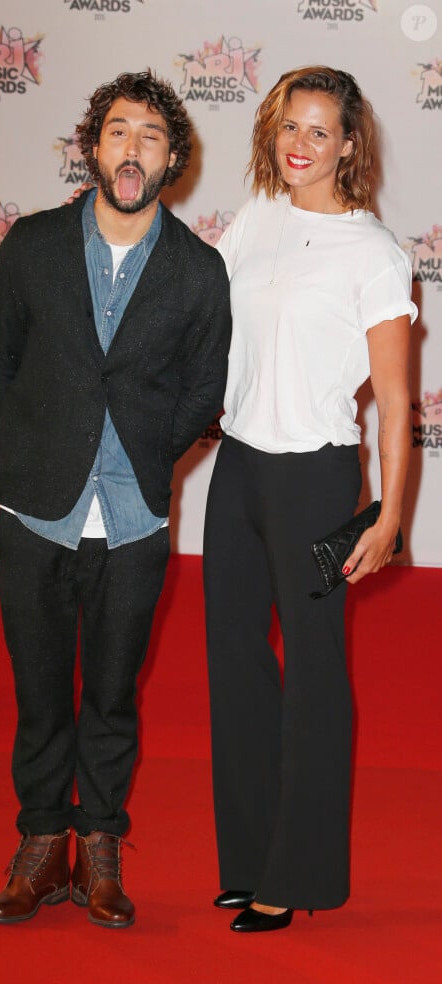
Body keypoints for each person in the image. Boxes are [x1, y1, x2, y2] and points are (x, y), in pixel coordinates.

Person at [0, 69, 231, 929]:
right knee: (41, 690)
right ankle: (44, 849)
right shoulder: (33, 243)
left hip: (135, 519)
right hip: (36, 509)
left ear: (173, 160)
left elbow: (204, 392)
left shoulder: (200, 271)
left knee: (113, 697)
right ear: (94, 144)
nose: (133, 149)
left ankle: (102, 852)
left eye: (151, 136)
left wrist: (146, 456)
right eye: (119, 131)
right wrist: (34, 452)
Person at [203, 66, 416, 933]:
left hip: (318, 481)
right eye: (291, 125)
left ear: (349, 147)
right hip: (240, 471)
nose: (300, 143)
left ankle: (302, 872)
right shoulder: (253, 220)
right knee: (235, 667)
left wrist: (392, 514)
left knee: (315, 675)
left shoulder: (375, 252)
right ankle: (250, 857)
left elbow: (398, 403)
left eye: (321, 131)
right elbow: (197, 318)